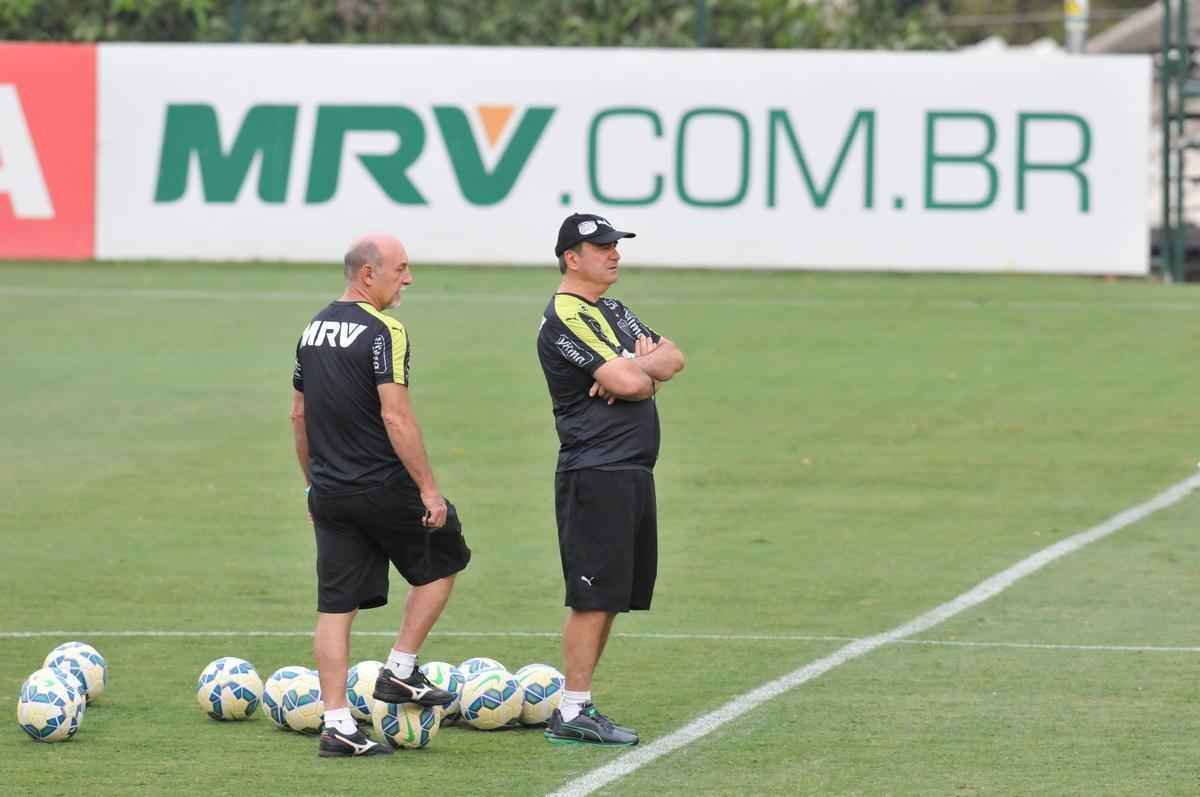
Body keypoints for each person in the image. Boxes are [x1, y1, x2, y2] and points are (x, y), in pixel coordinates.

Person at [290, 233, 470, 758]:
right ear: (368, 274)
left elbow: (298, 414)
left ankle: (337, 725)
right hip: (381, 485)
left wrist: (311, 483)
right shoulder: (384, 330)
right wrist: (429, 490)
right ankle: (400, 670)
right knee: (445, 557)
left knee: (335, 608)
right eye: (401, 268)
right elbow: (395, 414)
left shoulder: (313, 327)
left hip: (330, 491)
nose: (408, 278)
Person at [535, 213, 686, 746]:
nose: (613, 253)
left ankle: (580, 704)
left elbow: (674, 357)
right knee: (592, 595)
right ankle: (572, 711)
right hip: (595, 470)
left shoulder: (614, 310)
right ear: (572, 258)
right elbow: (635, 379)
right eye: (600, 246)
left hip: (630, 471)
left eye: (615, 244)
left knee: (613, 596)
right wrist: (637, 371)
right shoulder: (564, 316)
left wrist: (637, 370)